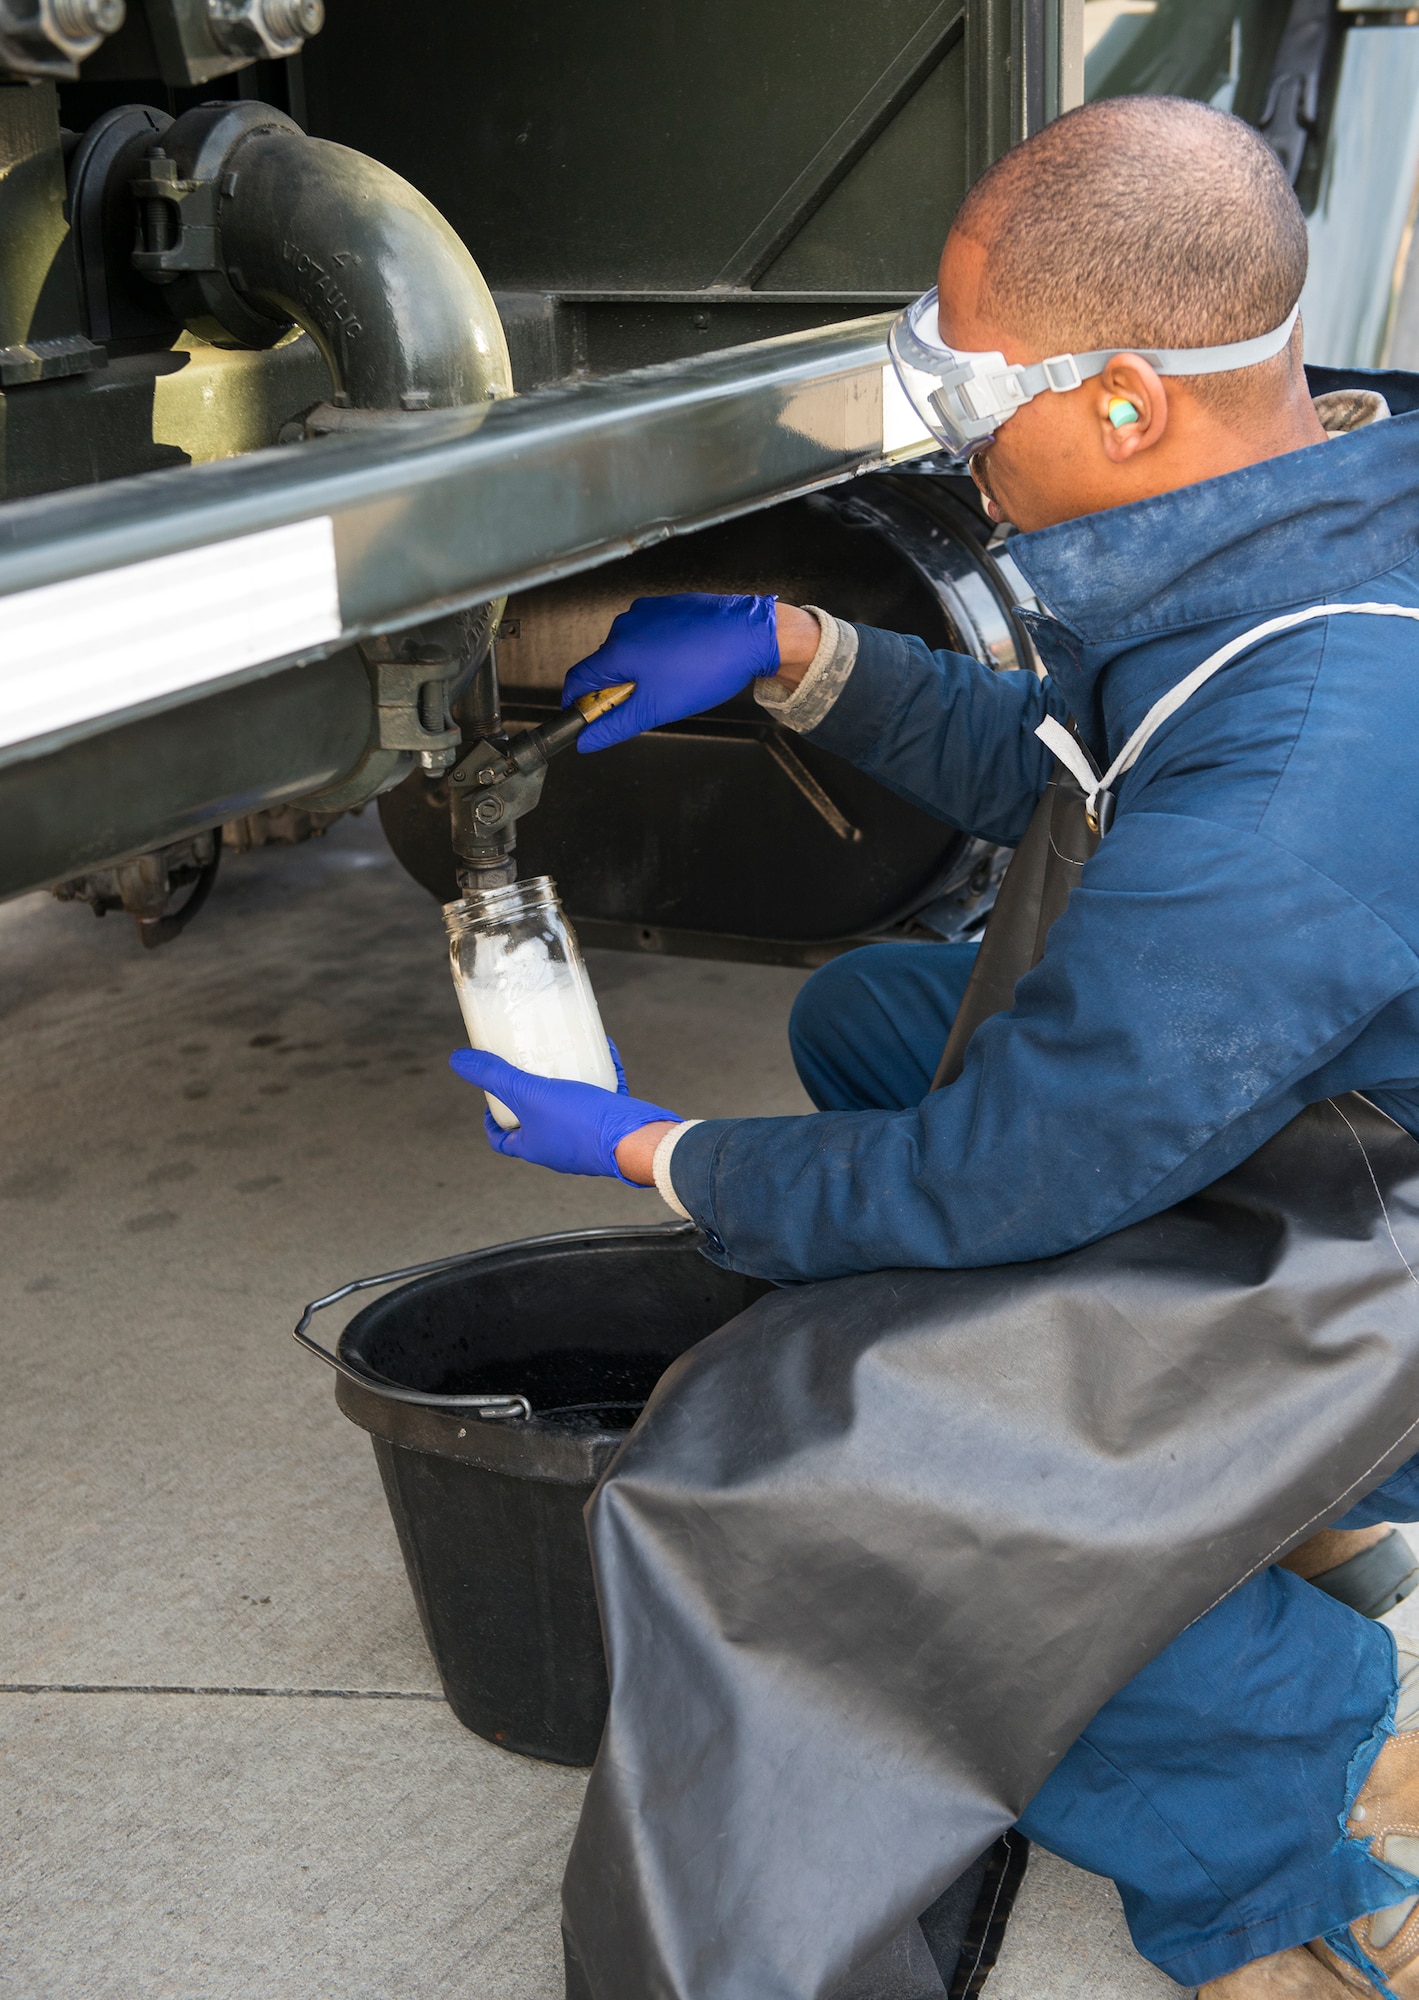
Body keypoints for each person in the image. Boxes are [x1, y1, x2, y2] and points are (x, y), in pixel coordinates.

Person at [450, 94, 1419, 1997]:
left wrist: (657, 1153)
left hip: (1373, 1237)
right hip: (1309, 1083)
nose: (955, 449)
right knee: (875, 1016)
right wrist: (805, 655)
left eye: (971, 402)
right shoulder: (1288, 518)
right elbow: (1078, 772)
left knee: (860, 1476)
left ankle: (1285, 1820)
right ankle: (1245, 1521)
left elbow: (1002, 1175)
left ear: (1124, 401)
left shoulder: (1309, 757)